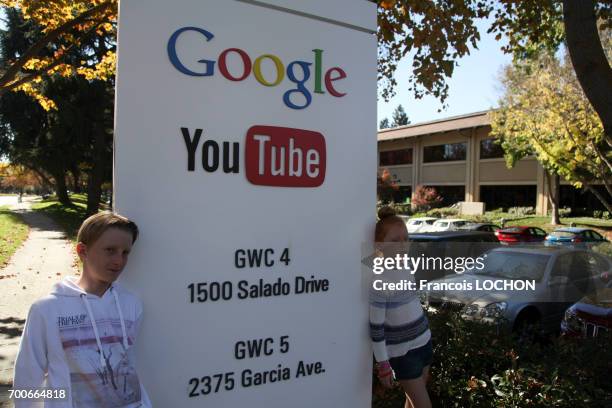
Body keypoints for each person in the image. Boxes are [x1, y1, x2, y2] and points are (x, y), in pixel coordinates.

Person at [13, 212, 152, 407]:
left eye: (125, 252)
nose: (119, 261)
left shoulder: (131, 305)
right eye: (110, 250)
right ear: (82, 251)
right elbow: (28, 377)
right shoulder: (47, 310)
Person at [370, 207, 432, 408]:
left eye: (405, 239)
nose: (402, 245)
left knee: (412, 401)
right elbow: (376, 327)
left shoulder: (406, 267)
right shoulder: (379, 279)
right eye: (394, 240)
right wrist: (383, 364)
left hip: (424, 342)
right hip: (403, 354)